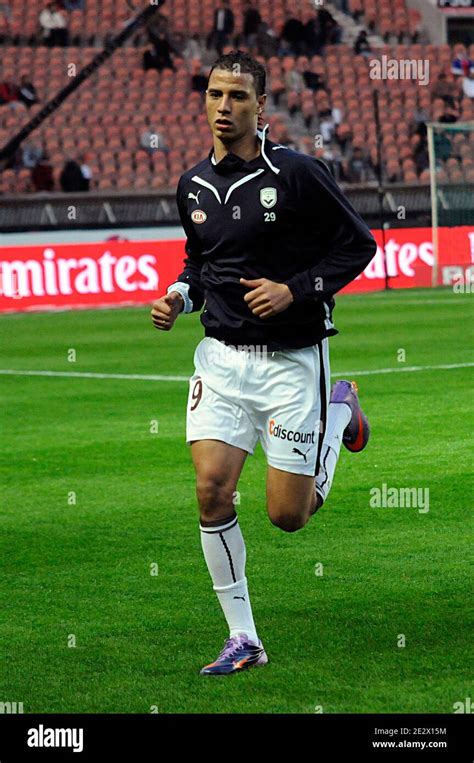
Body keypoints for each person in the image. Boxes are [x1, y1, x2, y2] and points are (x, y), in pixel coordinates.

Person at [150, 50, 376, 676]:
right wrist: (180, 295)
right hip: (220, 360)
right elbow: (202, 262)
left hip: (291, 363)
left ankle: (338, 414)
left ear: (261, 106)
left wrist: (296, 290)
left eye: (238, 98)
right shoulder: (192, 183)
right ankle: (243, 638)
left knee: (287, 517)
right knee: (210, 492)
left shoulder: (299, 174)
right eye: (216, 95)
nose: (225, 107)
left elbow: (359, 245)